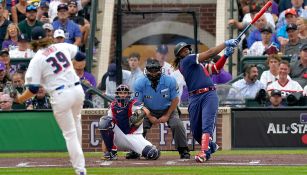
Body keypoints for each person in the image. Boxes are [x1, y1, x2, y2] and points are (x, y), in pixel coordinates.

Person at [14, 26, 87, 175]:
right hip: (77, 89)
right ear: (48, 36)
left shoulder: (37, 59)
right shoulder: (61, 46)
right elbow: (80, 55)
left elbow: (33, 89)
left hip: (61, 94)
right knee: (76, 121)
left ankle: (80, 169)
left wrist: (20, 99)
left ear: (33, 41)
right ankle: (78, 157)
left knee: (69, 133)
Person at [172, 38, 238, 162]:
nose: (185, 50)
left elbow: (215, 69)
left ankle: (204, 152)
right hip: (194, 97)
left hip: (209, 94)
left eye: (186, 48)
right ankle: (210, 146)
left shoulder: (198, 65)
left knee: (207, 123)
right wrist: (225, 43)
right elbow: (210, 53)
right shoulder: (186, 61)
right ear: (179, 55)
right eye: (182, 50)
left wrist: (225, 56)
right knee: (196, 131)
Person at [134, 58, 190, 159]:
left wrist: (167, 115)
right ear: (146, 70)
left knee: (177, 124)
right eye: (151, 70)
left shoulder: (170, 80)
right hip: (147, 109)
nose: (154, 73)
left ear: (161, 69)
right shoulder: (139, 82)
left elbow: (175, 100)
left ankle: (183, 149)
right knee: (137, 121)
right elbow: (138, 103)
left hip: (168, 108)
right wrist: (150, 116)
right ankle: (135, 150)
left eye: (156, 70)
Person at [98, 84, 160, 161]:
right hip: (120, 135)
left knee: (152, 154)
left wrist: (139, 115)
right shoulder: (113, 105)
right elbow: (107, 124)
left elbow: (146, 110)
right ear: (117, 94)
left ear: (128, 94)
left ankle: (135, 152)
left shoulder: (133, 103)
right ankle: (112, 153)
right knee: (104, 121)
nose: (123, 95)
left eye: (125, 93)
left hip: (134, 136)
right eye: (121, 93)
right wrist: (106, 148)